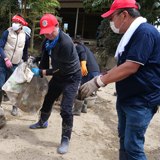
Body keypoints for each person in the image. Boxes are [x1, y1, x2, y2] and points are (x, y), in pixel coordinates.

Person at [80, 0, 160, 159]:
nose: (110, 22)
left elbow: (130, 67)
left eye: (111, 17)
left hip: (141, 101)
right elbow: (122, 65)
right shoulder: (131, 35)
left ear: (124, 15)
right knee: (124, 141)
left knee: (134, 148)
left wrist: (98, 82)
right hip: (127, 98)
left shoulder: (144, 33)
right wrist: (103, 76)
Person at [29, 14, 81, 154]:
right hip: (59, 76)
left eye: (51, 31)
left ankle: (65, 138)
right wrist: (36, 58)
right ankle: (42, 122)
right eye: (45, 32)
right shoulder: (47, 41)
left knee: (65, 108)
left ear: (57, 26)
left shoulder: (66, 43)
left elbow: (61, 69)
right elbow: (45, 53)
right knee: (48, 99)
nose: (49, 34)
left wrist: (41, 71)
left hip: (71, 76)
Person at [0, 13, 29, 116]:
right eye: (13, 22)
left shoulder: (25, 37)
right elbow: (0, 47)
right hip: (3, 63)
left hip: (16, 65)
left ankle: (14, 107)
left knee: (15, 87)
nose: (14, 24)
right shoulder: (7, 33)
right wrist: (5, 58)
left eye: (16, 22)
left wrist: (25, 64)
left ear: (21, 25)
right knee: (1, 85)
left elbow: (25, 52)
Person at [72, 39, 100, 115]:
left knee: (82, 89)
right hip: (96, 71)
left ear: (75, 43)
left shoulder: (79, 46)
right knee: (87, 90)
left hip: (89, 71)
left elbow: (82, 54)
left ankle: (77, 110)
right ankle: (84, 108)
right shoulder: (87, 49)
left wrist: (83, 65)